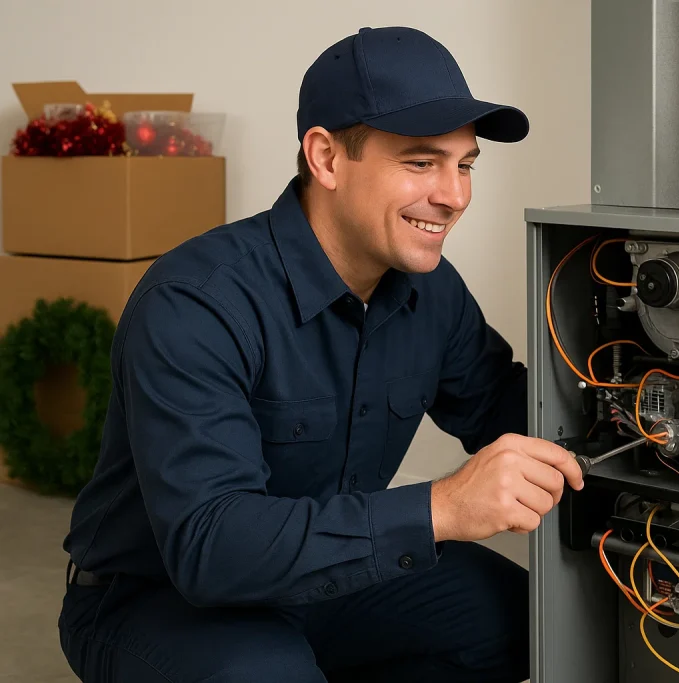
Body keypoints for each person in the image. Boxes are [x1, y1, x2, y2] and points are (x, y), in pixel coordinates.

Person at [57, 26, 584, 683]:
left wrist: (646, 425)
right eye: (422, 162)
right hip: (154, 595)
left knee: (527, 620)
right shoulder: (196, 301)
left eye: (465, 163)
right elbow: (211, 547)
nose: (454, 194)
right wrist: (442, 507)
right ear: (327, 158)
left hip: (327, 579)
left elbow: (507, 409)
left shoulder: (431, 293)